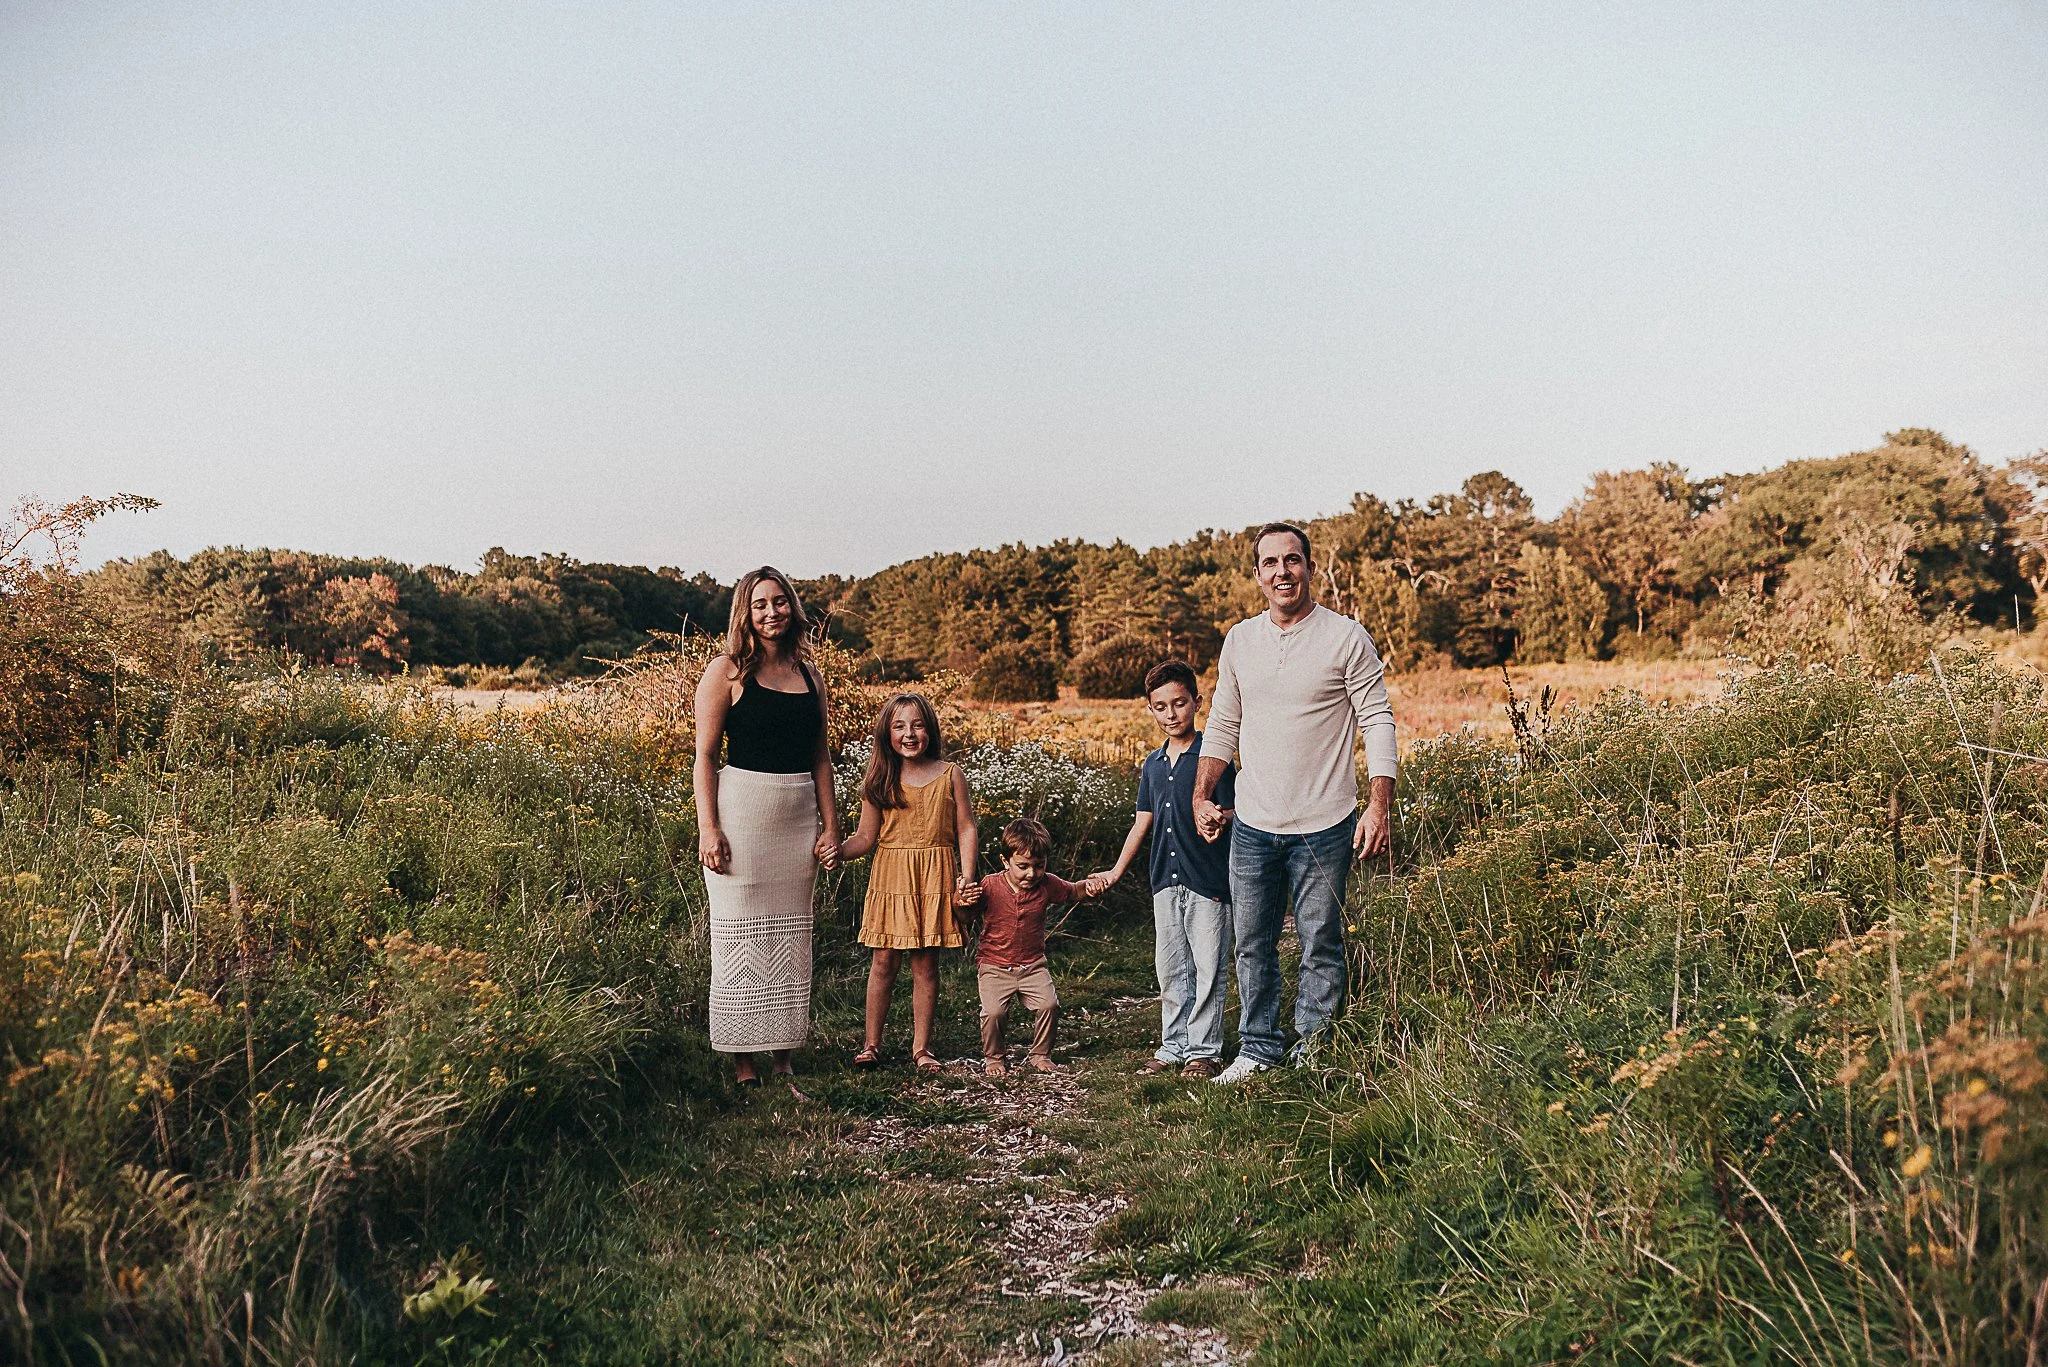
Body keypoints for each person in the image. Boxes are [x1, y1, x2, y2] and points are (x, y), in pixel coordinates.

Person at [1193, 523, 1397, 1085]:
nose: (1282, 571)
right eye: (1270, 563)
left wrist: (1378, 807)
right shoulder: (1240, 641)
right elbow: (1223, 723)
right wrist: (1200, 794)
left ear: (1310, 567)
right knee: (1252, 943)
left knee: (1319, 942)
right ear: (1257, 574)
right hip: (1254, 821)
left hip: (1326, 823)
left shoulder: (1346, 637)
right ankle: (1257, 1047)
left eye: (1293, 560)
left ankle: (1312, 1048)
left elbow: (1377, 721)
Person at [693, 567, 839, 1087]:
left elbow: (821, 756)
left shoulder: (808, 675)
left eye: (779, 602)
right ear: (745, 613)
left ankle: (782, 1054)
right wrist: (708, 829)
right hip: (742, 814)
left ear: (792, 609)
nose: (771, 612)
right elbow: (705, 757)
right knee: (738, 938)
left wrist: (830, 827)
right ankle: (742, 1060)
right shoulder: (726, 672)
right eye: (760, 604)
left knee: (789, 939)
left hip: (796, 815)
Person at [1091, 659, 1237, 1080]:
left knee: (1209, 967)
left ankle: (1204, 1051)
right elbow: (1143, 821)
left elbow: (1236, 808)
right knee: (1172, 967)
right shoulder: (1152, 765)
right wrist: (1117, 871)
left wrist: (1219, 816)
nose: (1171, 714)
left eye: (1179, 703)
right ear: (1150, 709)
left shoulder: (1215, 757)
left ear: (1197, 702)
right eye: (1161, 707)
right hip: (1164, 882)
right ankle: (1174, 1045)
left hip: (1208, 880)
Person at [836, 692, 980, 1072]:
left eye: (917, 725)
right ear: (887, 733)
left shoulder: (950, 774)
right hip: (892, 877)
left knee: (925, 964)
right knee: (883, 962)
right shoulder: (880, 778)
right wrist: (836, 851)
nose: (909, 733)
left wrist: (966, 877)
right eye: (899, 726)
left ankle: (921, 1049)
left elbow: (965, 827)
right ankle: (871, 1044)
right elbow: (865, 838)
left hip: (935, 877)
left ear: (929, 729)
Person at [972, 818, 1105, 1078]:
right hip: (994, 964)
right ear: (1004, 861)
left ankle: (1040, 1054)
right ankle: (994, 1057)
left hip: (1033, 964)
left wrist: (1088, 888)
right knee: (993, 1012)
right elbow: (966, 914)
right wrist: (961, 900)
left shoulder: (1047, 885)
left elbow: (1072, 891)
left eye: (1039, 866)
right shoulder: (990, 885)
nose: (1031, 874)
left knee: (1049, 1005)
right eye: (1022, 867)